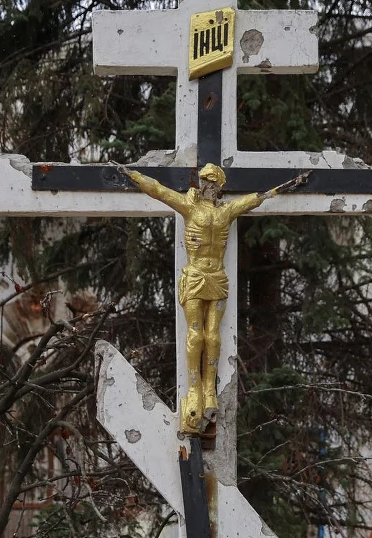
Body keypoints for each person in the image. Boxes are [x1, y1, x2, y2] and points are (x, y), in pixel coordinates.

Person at [122, 163, 307, 434]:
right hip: (195, 275)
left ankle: (210, 391)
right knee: (195, 334)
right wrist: (133, 175)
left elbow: (254, 200)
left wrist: (284, 187)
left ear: (220, 187)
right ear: (200, 183)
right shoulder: (190, 208)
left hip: (216, 277)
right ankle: (195, 388)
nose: (208, 186)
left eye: (213, 182)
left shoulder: (226, 212)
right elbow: (159, 191)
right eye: (205, 181)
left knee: (213, 335)